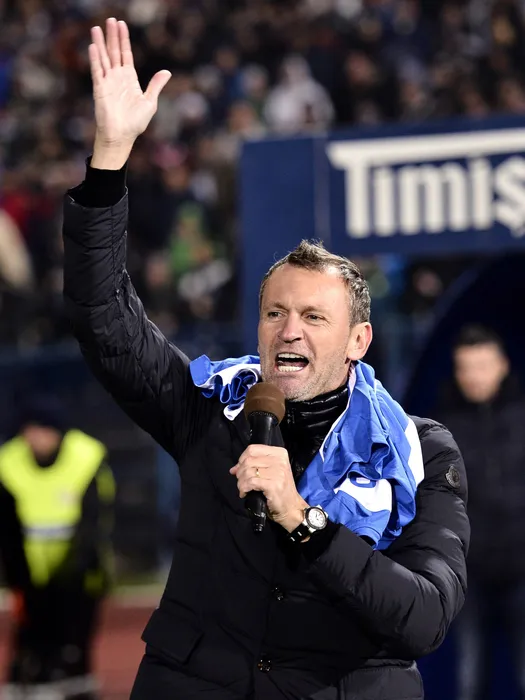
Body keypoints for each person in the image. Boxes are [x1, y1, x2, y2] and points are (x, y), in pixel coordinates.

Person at [61, 18, 469, 700]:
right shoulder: (208, 408)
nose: (289, 332)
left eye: (314, 317)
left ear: (358, 341)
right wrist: (108, 159)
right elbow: (102, 315)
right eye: (275, 313)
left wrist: (301, 518)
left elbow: (424, 618)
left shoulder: (422, 451)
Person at [0, 395, 115, 700]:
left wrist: (73, 572)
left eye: (43, 430)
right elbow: (7, 530)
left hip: (79, 573)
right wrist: (18, 578)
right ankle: (29, 677)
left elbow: (92, 525)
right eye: (30, 430)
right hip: (29, 572)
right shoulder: (8, 463)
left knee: (74, 639)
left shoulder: (86, 457)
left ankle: (75, 678)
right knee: (31, 638)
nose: (36, 438)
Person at [432, 325, 525, 700]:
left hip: (522, 564)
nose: (474, 377)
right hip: (469, 570)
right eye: (465, 367)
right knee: (469, 676)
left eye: (483, 366)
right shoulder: (439, 428)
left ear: (502, 365)